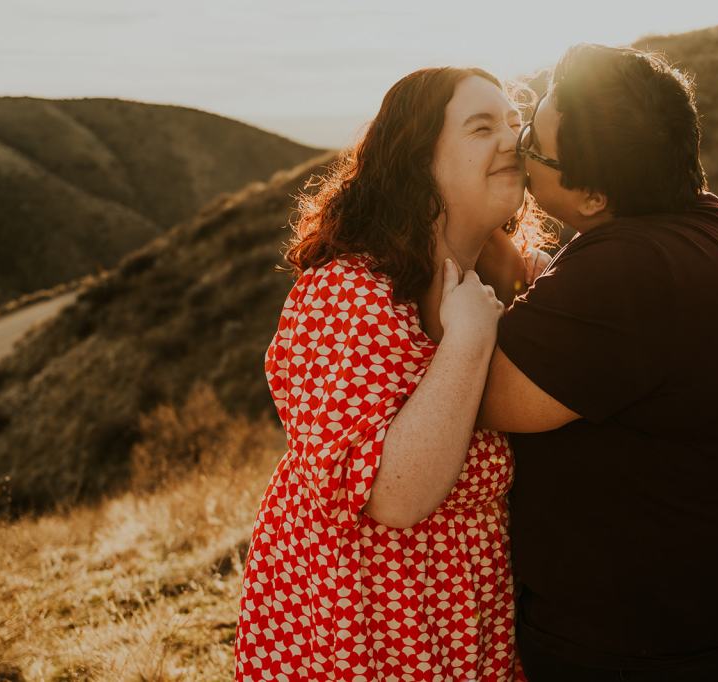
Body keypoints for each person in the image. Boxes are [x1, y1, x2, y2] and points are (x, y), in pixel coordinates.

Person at [476, 44, 718, 681]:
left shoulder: (629, 271)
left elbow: (487, 397)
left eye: (533, 141)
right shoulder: (707, 221)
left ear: (593, 195)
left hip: (660, 637)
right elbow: (600, 340)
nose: (518, 148)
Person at [234, 66, 546, 681]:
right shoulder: (348, 294)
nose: (512, 139)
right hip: (361, 627)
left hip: (466, 614)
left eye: (515, 122)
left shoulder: (499, 282)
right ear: (417, 164)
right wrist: (467, 343)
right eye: (481, 127)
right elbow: (394, 495)